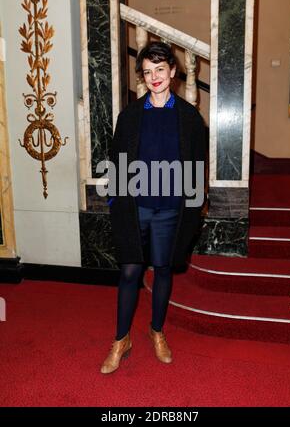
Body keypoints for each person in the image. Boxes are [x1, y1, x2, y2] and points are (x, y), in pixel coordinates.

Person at [101, 41, 206, 374]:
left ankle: (156, 331)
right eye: (147, 72)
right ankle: (121, 339)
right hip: (137, 207)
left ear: (173, 72)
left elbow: (196, 166)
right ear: (142, 77)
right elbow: (117, 164)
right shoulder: (129, 116)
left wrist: (193, 207)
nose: (154, 77)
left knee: (162, 269)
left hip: (170, 210)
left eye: (160, 69)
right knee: (130, 271)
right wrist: (116, 204)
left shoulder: (189, 117)